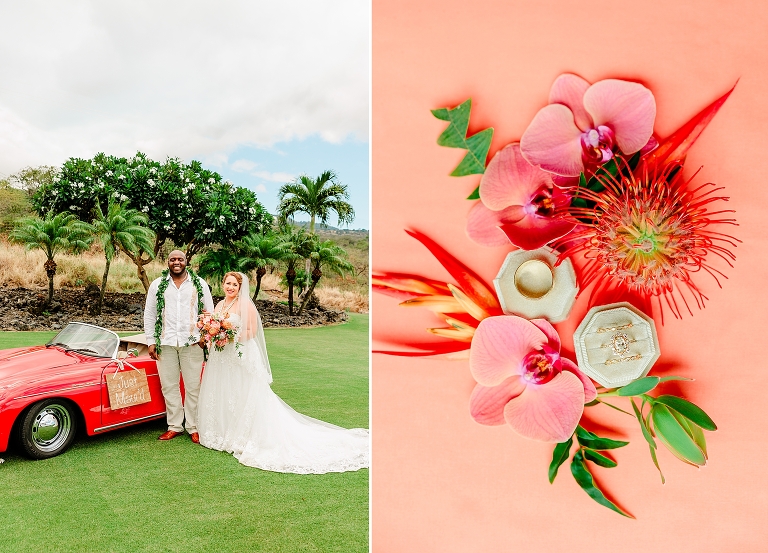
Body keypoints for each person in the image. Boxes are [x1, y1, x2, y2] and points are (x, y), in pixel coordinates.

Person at [197, 271, 369, 473]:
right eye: (228, 283)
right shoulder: (219, 305)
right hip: (222, 355)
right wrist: (213, 333)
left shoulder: (245, 305)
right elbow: (214, 326)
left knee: (244, 391)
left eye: (234, 284)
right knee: (226, 390)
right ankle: (224, 431)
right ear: (223, 284)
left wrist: (229, 335)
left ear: (240, 287)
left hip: (240, 354)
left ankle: (244, 435)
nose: (230, 287)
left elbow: (251, 331)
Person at [144, 250, 214, 443]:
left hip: (192, 342)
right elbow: (150, 314)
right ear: (167, 262)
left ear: (186, 262)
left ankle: (193, 426)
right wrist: (151, 340)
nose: (176, 262)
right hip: (164, 342)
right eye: (172, 259)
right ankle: (175, 425)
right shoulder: (157, 285)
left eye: (180, 259)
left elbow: (209, 312)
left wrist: (204, 337)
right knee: (169, 386)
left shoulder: (199, 284)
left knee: (193, 387)